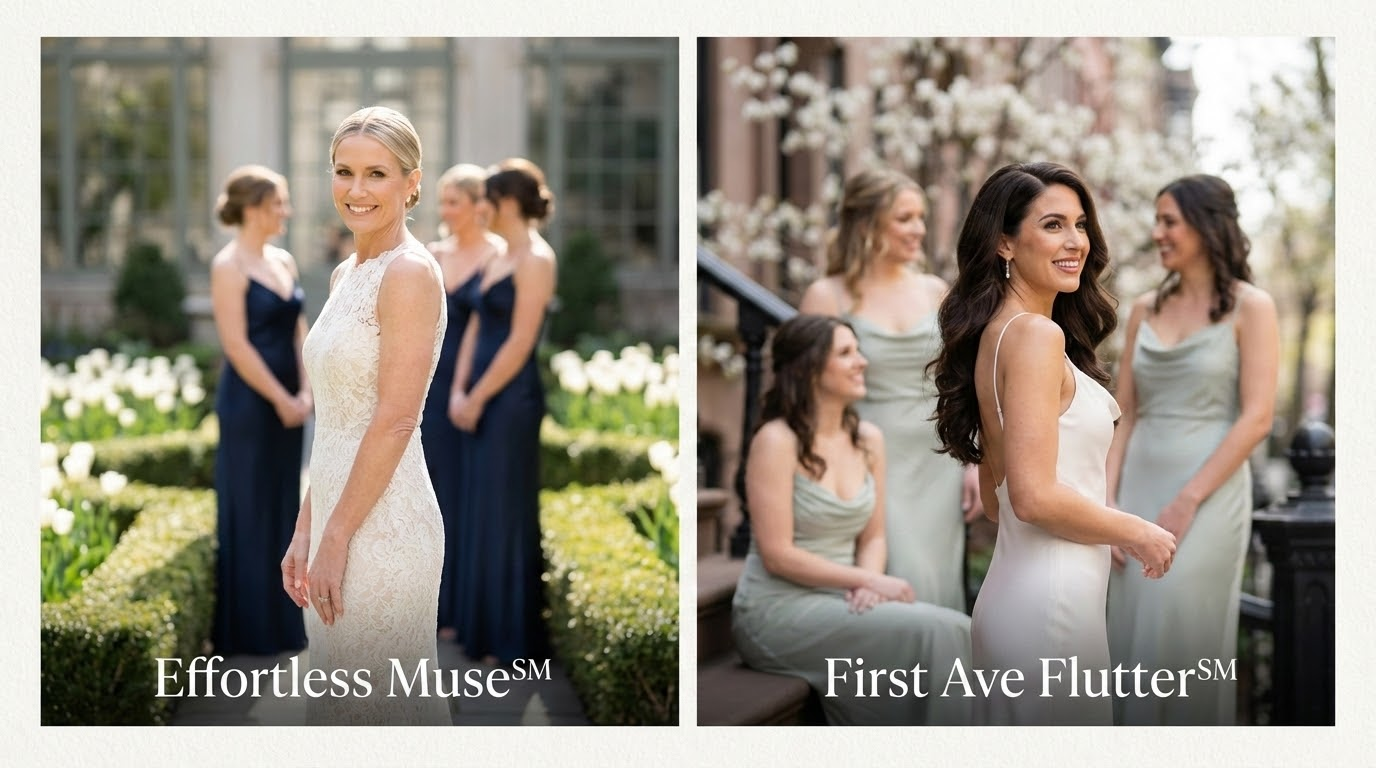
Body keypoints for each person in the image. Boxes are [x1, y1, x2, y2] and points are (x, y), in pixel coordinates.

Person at [929, 161, 1176, 725]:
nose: (1076, 242)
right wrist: (1137, 531)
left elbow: (998, 502)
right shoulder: (1037, 336)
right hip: (1051, 610)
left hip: (1022, 598)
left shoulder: (998, 338)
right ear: (1004, 243)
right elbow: (1032, 498)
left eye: (1081, 225)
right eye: (1053, 225)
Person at [280, 106, 450, 725]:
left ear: (412, 183)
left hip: (382, 528)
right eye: (344, 171)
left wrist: (335, 534)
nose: (356, 190)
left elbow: (395, 421)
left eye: (376, 174)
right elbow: (335, 422)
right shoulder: (345, 272)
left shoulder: (409, 274)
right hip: (335, 515)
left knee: (383, 714)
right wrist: (308, 526)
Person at [731, 314, 972, 725]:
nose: (862, 361)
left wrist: (867, 584)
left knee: (956, 631)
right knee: (944, 631)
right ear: (808, 368)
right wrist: (867, 581)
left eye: (858, 350)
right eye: (846, 353)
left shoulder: (868, 439)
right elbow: (777, 554)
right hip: (777, 609)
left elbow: (874, 537)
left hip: (844, 598)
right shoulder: (776, 440)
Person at [1106, 174, 1279, 725]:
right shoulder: (1142, 309)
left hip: (1207, 498)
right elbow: (1124, 413)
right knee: (1129, 631)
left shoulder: (1253, 307)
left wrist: (1187, 500)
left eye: (1169, 221)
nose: (1157, 233)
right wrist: (1106, 506)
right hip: (1136, 491)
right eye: (1157, 221)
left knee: (1181, 632)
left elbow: (1258, 418)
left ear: (1206, 226)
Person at [799, 168, 980, 613]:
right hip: (868, 459)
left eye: (921, 217)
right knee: (894, 578)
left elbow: (958, 381)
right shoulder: (828, 296)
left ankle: (937, 678)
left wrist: (973, 460)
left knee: (937, 581)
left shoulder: (934, 290)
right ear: (868, 224)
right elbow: (802, 392)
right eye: (905, 218)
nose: (918, 229)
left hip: (937, 461)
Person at [447, 158, 556, 665]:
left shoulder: (537, 258)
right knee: (477, 509)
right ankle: (478, 630)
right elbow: (473, 326)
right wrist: (459, 390)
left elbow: (519, 342)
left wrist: (480, 395)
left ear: (508, 203)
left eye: (488, 201)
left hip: (511, 399)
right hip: (477, 396)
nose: (482, 210)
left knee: (504, 512)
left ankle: (508, 639)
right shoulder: (500, 255)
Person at [209, 165, 311, 657]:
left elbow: (299, 331)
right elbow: (236, 345)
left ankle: (285, 624)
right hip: (251, 404)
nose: (285, 212)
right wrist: (281, 398)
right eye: (278, 204)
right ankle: (249, 631)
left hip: (292, 403)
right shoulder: (227, 266)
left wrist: (309, 391)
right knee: (249, 507)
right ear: (252, 209)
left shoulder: (285, 261)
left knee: (283, 506)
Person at [421, 164, 501, 643]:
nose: (444, 210)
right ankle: (433, 605)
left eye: (453, 201)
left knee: (467, 495)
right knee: (432, 491)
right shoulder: (431, 254)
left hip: (469, 386)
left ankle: (462, 609)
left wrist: (470, 390)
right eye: (443, 200)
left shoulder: (497, 256)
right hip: (428, 381)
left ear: (478, 206)